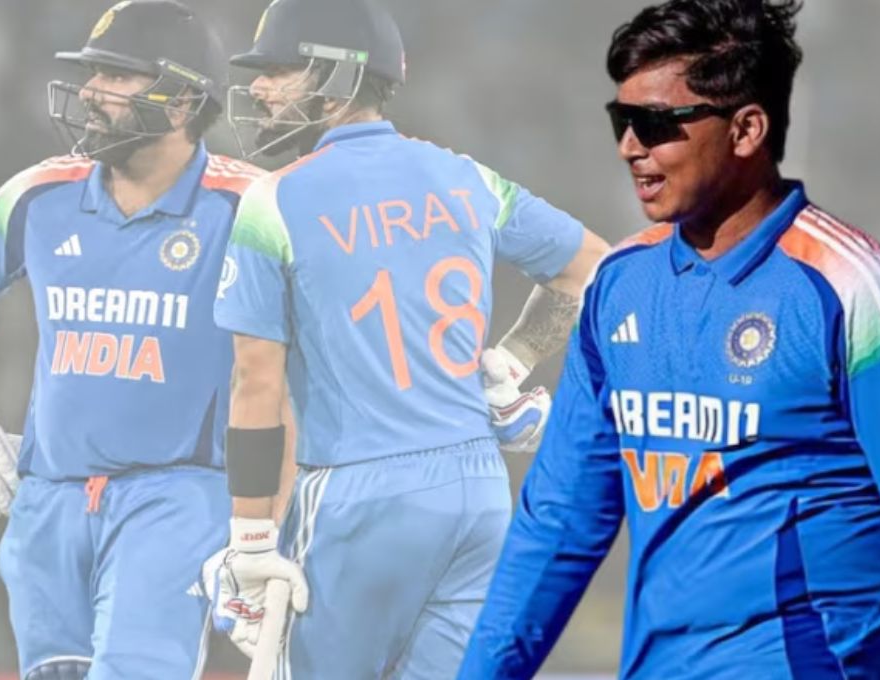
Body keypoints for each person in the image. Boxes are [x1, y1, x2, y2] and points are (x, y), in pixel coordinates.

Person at [459, 1, 880, 678]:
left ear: (745, 129)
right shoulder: (619, 285)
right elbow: (557, 526)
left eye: (656, 123)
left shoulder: (859, 295)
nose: (630, 146)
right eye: (622, 121)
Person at [201, 0, 609, 676]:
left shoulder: (273, 201)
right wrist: (512, 361)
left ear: (338, 77)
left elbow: (256, 380)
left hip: (357, 498)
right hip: (477, 493)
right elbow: (595, 268)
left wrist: (249, 539)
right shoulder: (467, 178)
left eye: (279, 70)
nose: (261, 89)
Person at [0, 2, 265, 677]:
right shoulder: (38, 193)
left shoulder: (249, 205)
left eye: (116, 75)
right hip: (47, 498)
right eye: (93, 74)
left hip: (175, 497)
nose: (90, 92)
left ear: (181, 101)